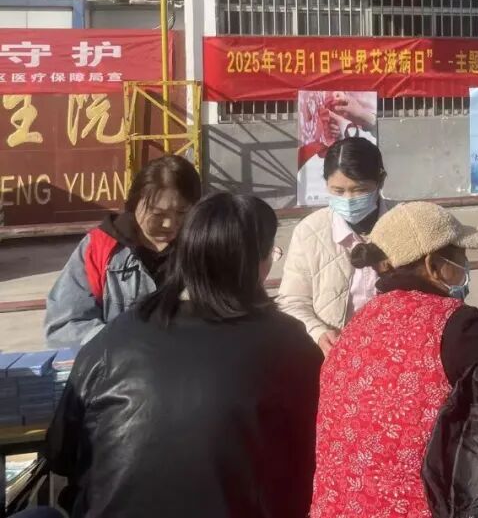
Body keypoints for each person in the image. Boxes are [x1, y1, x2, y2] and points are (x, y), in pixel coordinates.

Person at [46, 192, 322, 518]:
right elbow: (318, 455)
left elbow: (60, 454)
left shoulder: (116, 336)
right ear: (257, 262)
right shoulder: (290, 345)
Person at [310, 201, 478, 517]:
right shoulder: (458, 325)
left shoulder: (358, 324)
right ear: (433, 266)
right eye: (460, 257)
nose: (466, 266)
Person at [44, 155, 201, 348]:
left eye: (182, 213)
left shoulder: (202, 247)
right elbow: (63, 326)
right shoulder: (99, 248)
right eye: (158, 214)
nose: (169, 224)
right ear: (134, 203)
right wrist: (124, 342)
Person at [278, 136, 392, 355]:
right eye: (338, 191)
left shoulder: (407, 223)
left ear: (381, 180)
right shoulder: (310, 231)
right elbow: (292, 301)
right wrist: (318, 331)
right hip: (334, 357)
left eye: (359, 190)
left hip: (396, 353)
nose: (348, 199)